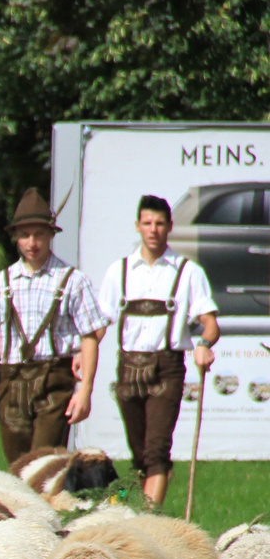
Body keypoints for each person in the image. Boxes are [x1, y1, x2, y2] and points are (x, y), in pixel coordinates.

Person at [0, 189, 109, 464]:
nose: (32, 242)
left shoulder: (72, 280)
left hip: (54, 380)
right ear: (15, 237)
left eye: (39, 234)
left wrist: (85, 389)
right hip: (11, 382)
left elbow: (90, 336)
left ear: (51, 235)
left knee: (44, 465)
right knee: (17, 467)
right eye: (25, 235)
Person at [96, 194, 220, 507]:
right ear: (138, 226)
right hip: (128, 368)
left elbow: (210, 324)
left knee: (156, 452)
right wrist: (80, 357)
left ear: (170, 227)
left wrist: (204, 345)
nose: (153, 230)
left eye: (160, 223)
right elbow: (99, 324)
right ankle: (136, 508)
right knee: (139, 456)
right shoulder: (119, 271)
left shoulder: (188, 272)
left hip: (167, 369)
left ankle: (149, 520)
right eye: (148, 223)